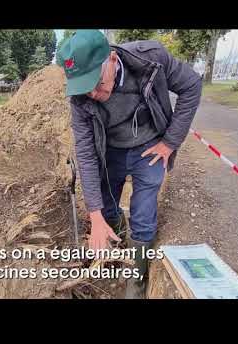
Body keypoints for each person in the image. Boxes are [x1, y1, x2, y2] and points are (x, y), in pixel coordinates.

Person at [56, 30, 202, 297]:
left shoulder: (151, 58)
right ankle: (119, 244)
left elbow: (192, 85)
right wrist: (95, 216)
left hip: (149, 147)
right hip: (110, 151)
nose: (92, 92)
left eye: (97, 82)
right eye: (83, 86)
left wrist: (170, 142)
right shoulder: (80, 98)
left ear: (112, 59)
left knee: (143, 213)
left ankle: (137, 278)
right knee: (107, 206)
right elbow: (86, 154)